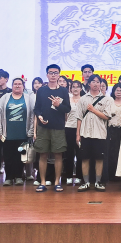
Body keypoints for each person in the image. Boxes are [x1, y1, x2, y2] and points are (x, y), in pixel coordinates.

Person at [33, 64, 70, 192]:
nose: (53, 75)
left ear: (59, 75)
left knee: (58, 155)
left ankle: (57, 182)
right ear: (47, 75)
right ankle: (42, 182)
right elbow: (37, 108)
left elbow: (67, 109)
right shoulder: (41, 90)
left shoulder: (63, 91)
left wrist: (58, 105)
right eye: (51, 73)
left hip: (58, 127)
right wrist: (39, 116)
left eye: (55, 73)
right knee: (42, 154)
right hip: (43, 127)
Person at [76, 75, 113, 191]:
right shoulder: (83, 99)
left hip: (100, 134)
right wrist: (78, 134)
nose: (96, 84)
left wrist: (93, 110)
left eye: (98, 82)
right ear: (89, 83)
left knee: (99, 159)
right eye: (93, 81)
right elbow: (79, 118)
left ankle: (98, 182)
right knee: (85, 158)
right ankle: (86, 182)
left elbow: (107, 116)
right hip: (85, 133)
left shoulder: (106, 99)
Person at [0, 78, 34, 186]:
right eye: (15, 84)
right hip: (8, 134)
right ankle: (8, 177)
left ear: (23, 86)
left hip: (23, 134)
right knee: (8, 156)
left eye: (19, 84)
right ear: (12, 86)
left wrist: (31, 130)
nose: (17, 86)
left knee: (20, 156)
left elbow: (32, 115)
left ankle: (18, 177)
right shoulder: (5, 97)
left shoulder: (28, 99)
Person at [63, 80, 84, 186]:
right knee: (69, 154)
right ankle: (69, 176)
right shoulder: (67, 100)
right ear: (70, 89)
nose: (75, 89)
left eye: (77, 87)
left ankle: (79, 176)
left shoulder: (84, 100)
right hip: (69, 128)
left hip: (81, 129)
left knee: (80, 154)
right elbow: (65, 116)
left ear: (81, 88)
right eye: (73, 87)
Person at [104, 84, 121, 185]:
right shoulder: (110, 101)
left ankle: (119, 175)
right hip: (111, 129)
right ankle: (110, 174)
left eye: (120, 90)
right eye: (117, 90)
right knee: (110, 152)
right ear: (113, 91)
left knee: (120, 152)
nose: (118, 92)